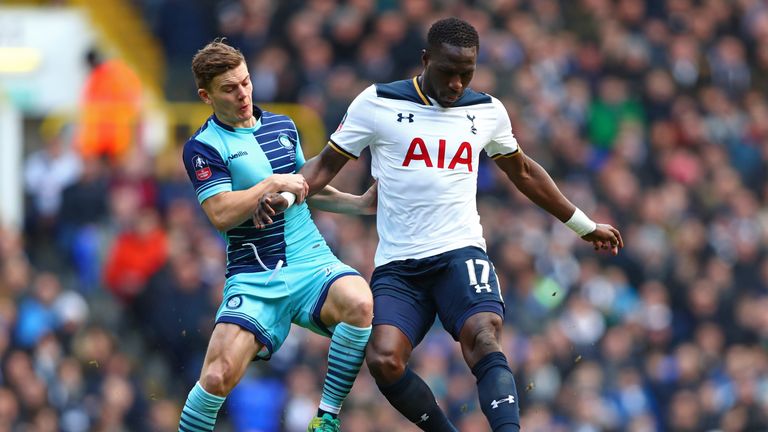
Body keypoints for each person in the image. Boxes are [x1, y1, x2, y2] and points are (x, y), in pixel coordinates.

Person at [257, 17, 624, 432]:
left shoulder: (485, 111)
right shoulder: (377, 103)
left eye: (466, 75)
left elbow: (523, 172)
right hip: (399, 265)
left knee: (484, 335)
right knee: (383, 360)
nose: (456, 85)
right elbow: (325, 165)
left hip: (460, 252)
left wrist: (582, 224)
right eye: (448, 73)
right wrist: (287, 195)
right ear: (425, 59)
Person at [178, 40, 376, 432]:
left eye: (246, 82)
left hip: (310, 261)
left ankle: (326, 419)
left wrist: (360, 204)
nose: (243, 94)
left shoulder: (283, 126)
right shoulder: (202, 147)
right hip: (254, 277)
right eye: (229, 89)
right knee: (216, 377)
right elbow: (220, 213)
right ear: (206, 96)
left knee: (359, 302)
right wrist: (267, 185)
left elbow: (305, 186)